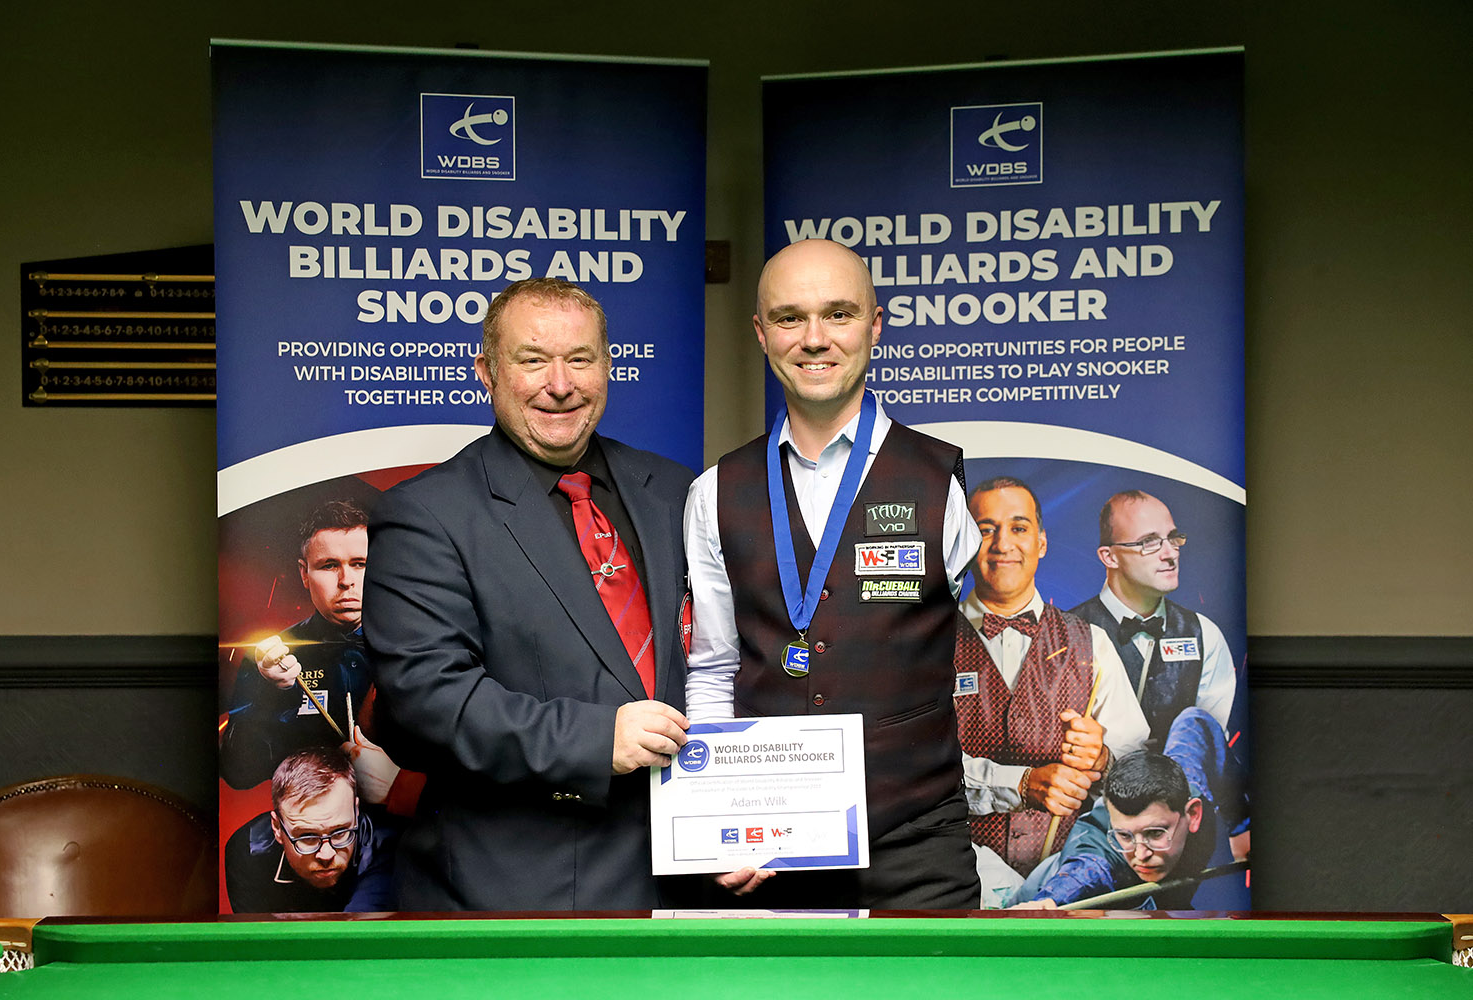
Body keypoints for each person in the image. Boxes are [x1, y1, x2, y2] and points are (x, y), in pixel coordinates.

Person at [362, 277, 694, 911]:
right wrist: (597, 740)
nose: (560, 383)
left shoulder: (677, 490)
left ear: (608, 365)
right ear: (486, 370)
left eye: (580, 359)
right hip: (516, 894)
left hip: (690, 870)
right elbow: (425, 701)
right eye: (533, 359)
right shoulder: (426, 515)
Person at [685, 238, 981, 908]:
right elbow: (712, 670)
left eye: (839, 314)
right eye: (790, 318)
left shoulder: (942, 485)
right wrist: (719, 822)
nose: (815, 339)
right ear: (761, 334)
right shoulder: (715, 492)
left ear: (876, 325)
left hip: (917, 852)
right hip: (769, 853)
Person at [956, 476, 1147, 891]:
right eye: (986, 530)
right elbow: (911, 778)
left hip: (1067, 889)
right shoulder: (924, 647)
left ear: (1041, 543)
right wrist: (1020, 784)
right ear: (963, 544)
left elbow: (1138, 767)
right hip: (954, 884)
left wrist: (1104, 758)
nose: (1003, 544)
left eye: (1019, 528)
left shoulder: (1091, 644)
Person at [1009, 707, 1245, 910]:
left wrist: (1243, 825)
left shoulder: (1189, 784)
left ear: (1192, 814)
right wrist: (1049, 900)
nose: (1140, 855)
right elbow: (1084, 873)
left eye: (1155, 834)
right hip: (1041, 898)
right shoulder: (1102, 857)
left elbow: (1195, 722)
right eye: (1124, 835)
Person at [221, 500, 379, 791]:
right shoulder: (269, 657)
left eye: (360, 564)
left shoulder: (411, 646)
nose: (346, 581)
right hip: (308, 824)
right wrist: (271, 691)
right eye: (329, 565)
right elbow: (238, 774)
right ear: (304, 574)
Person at [1069, 490, 1236, 740]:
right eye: (1149, 542)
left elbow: (1207, 751)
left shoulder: (1204, 634)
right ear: (1109, 556)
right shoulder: (1063, 634)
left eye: (1172, 538)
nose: (1170, 554)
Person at [224, 746, 394, 913]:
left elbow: (360, 934)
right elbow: (259, 937)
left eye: (340, 832)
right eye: (307, 837)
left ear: (356, 812)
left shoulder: (382, 844)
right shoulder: (248, 849)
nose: (326, 855)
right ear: (277, 828)